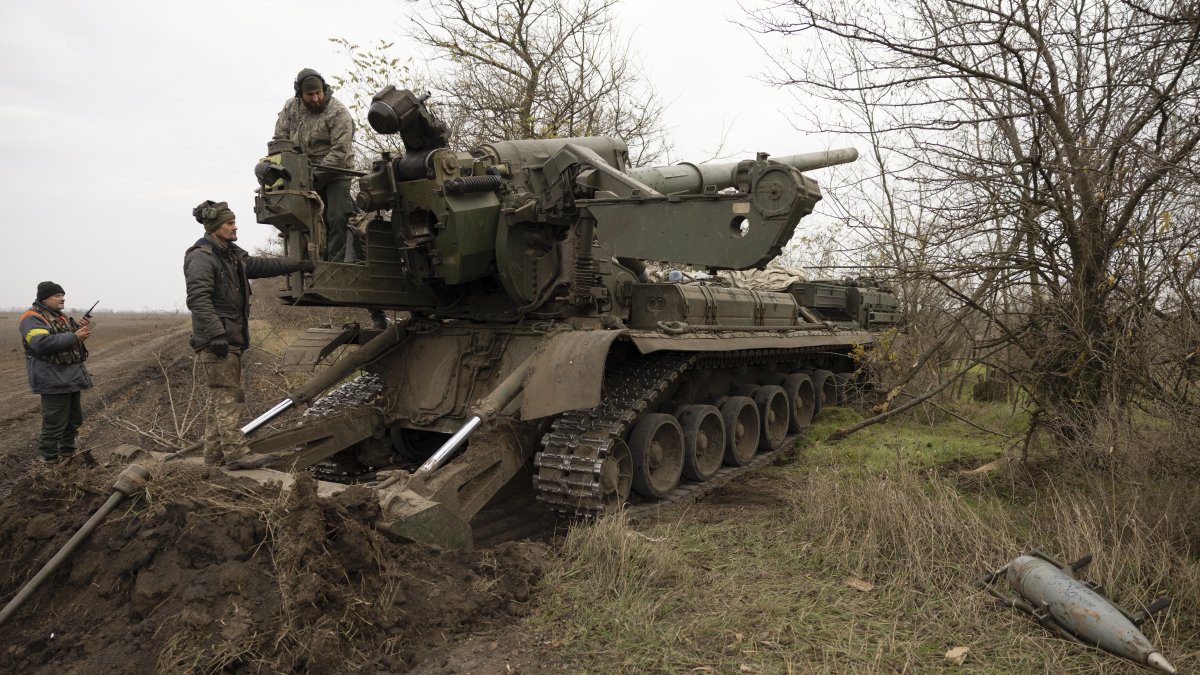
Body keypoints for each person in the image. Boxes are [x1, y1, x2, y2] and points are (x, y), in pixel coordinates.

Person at [185, 200, 314, 466]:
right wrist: (216, 334)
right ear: (214, 228)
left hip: (230, 337)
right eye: (229, 223)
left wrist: (297, 264)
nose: (235, 227)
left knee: (220, 395)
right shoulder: (200, 257)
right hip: (217, 340)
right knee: (228, 396)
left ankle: (214, 453)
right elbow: (198, 299)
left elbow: (262, 266)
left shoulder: (231, 255)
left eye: (234, 222)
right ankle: (236, 454)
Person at [273, 67, 388, 329]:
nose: (314, 98)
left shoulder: (338, 112)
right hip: (301, 174)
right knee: (300, 223)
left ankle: (333, 268)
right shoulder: (291, 108)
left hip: (336, 172)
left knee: (337, 216)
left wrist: (316, 175)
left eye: (317, 93)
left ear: (324, 90)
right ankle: (307, 265)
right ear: (299, 94)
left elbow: (340, 150)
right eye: (309, 95)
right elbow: (280, 140)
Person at [19, 281, 93, 464]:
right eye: (57, 295)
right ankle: (50, 463)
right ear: (44, 298)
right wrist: (74, 336)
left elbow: (63, 340)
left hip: (70, 378)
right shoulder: (32, 317)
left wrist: (77, 328)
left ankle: (68, 456)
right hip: (53, 380)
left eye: (63, 295)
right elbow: (41, 343)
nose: (62, 298)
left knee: (73, 421)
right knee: (54, 424)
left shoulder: (59, 317)